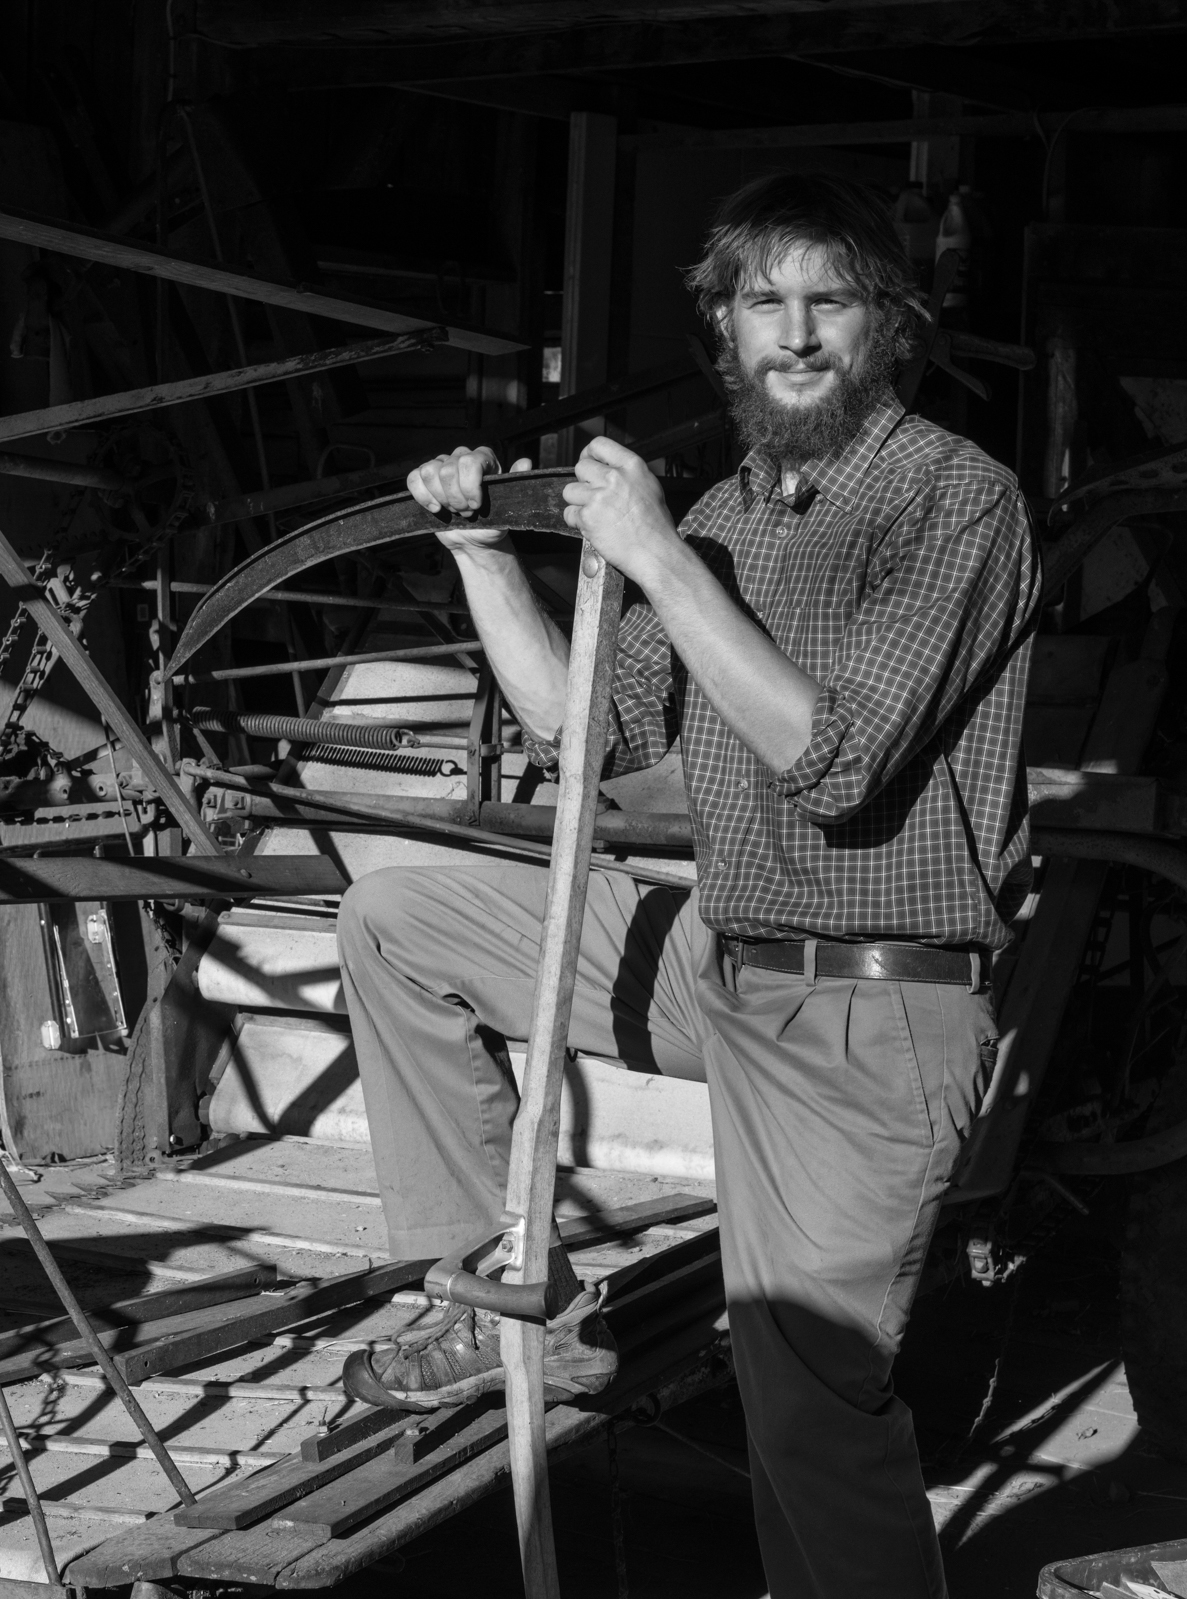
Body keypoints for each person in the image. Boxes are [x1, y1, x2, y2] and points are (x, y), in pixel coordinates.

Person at [333, 171, 1039, 1599]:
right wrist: (480, 558)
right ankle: (495, 1287)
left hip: (869, 1014)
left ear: (889, 324)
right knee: (402, 916)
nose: (793, 333)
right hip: (731, 958)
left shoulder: (954, 500)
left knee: (805, 1409)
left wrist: (654, 552)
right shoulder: (731, 506)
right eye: (759, 301)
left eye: (828, 300)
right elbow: (578, 731)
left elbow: (828, 762)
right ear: (722, 325)